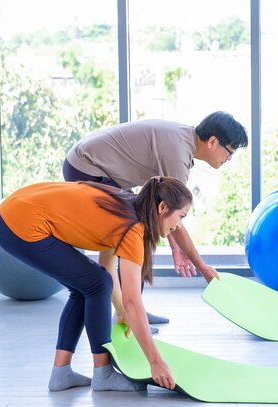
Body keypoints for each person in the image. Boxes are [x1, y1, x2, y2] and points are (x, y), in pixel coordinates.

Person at [0, 176, 196, 391]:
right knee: (96, 283)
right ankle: (103, 374)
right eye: (181, 216)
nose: (179, 225)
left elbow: (106, 265)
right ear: (163, 207)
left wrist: (121, 312)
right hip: (19, 224)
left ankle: (61, 374)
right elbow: (132, 302)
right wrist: (156, 362)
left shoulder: (125, 205)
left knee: (90, 283)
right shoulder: (132, 229)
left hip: (12, 211)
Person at [62, 111, 248, 329]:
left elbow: (164, 210)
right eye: (230, 153)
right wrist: (202, 267)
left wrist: (175, 248)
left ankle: (132, 308)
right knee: (133, 233)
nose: (228, 159)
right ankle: (127, 313)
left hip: (105, 172)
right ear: (213, 142)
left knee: (137, 231)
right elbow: (174, 215)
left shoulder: (182, 140)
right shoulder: (178, 153)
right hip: (87, 168)